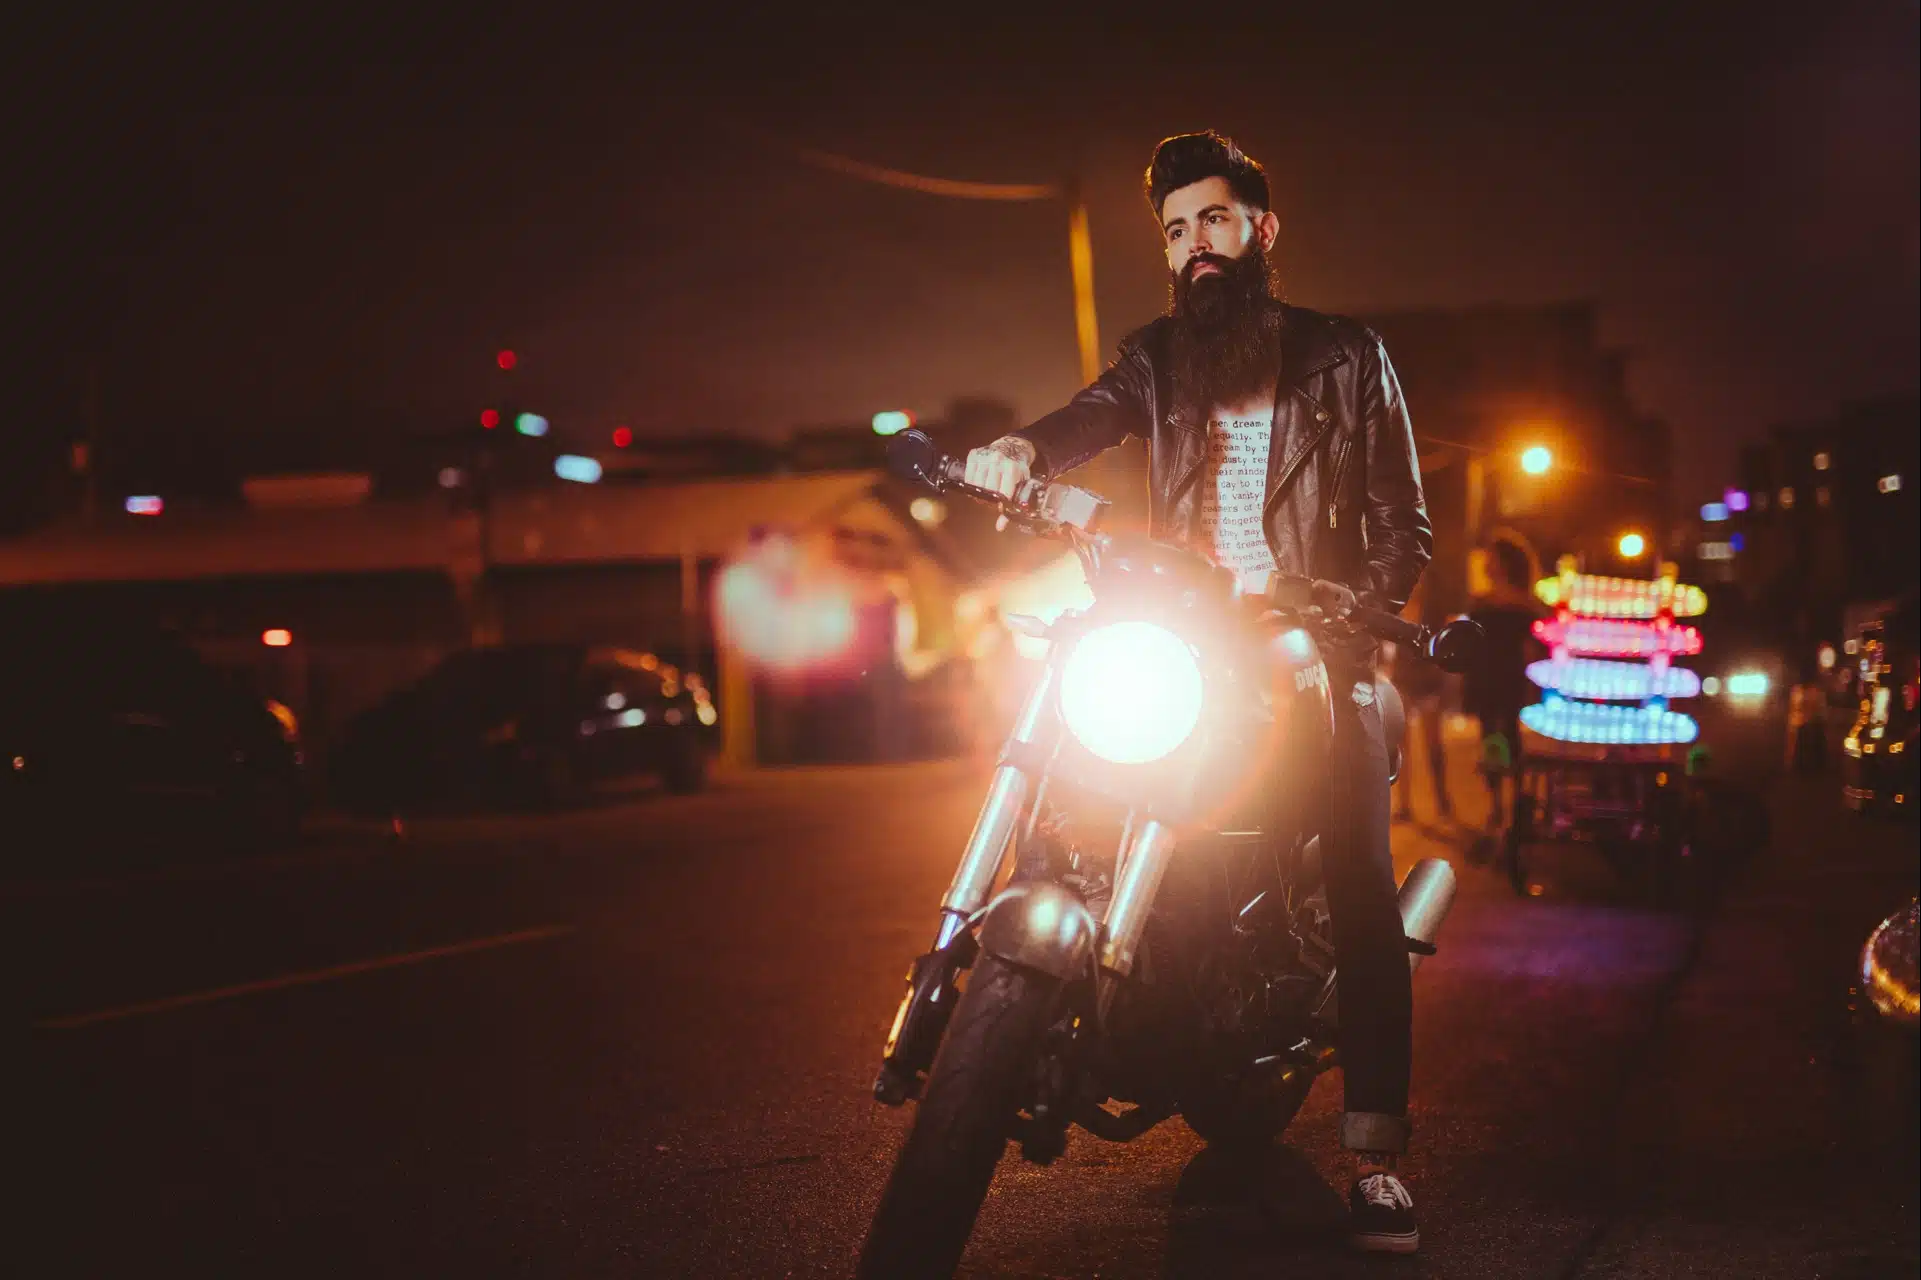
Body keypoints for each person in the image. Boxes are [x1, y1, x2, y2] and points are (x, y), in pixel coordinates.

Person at [964, 131, 1433, 1254]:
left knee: (1362, 884)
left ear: (1261, 230)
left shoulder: (1345, 356)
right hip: (1187, 646)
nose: (1194, 247)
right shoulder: (1158, 358)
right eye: (1175, 230)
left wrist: (1342, 611)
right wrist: (1021, 449)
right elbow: (1087, 414)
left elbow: (1401, 525)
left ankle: (1373, 1158)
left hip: (1312, 651)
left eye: (1213, 220)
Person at [1463, 539, 1540, 833]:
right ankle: (1496, 805)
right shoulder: (1480, 603)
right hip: (1484, 679)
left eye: (1493, 557)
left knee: (1510, 735)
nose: (1487, 562)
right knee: (1489, 740)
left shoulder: (1524, 605)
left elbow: (1532, 647)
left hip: (1510, 678)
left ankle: (1518, 802)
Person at [1389, 580, 1453, 825]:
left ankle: (1442, 800)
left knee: (1433, 744)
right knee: (1402, 747)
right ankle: (1405, 805)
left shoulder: (1434, 610)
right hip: (1403, 680)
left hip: (1427, 682)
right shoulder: (1398, 605)